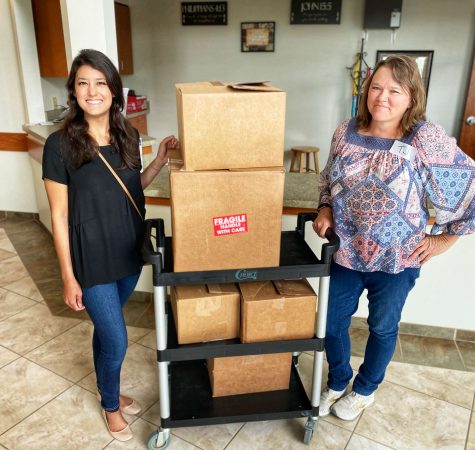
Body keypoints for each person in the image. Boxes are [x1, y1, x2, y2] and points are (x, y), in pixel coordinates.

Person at [313, 55, 475, 421]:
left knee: (382, 327)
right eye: (375, 87)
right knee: (331, 323)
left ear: (411, 97)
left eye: (394, 90)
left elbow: (468, 190)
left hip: (398, 260)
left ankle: (365, 389)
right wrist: (324, 209)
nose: (381, 97)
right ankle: (339, 380)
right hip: (346, 254)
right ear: (365, 91)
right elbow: (327, 180)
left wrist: (442, 240)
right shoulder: (345, 131)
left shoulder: (425, 139)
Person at [42, 49, 178, 441]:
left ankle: (110, 389)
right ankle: (110, 405)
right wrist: (68, 277)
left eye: (101, 82)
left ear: (115, 91)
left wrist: (161, 160)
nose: (92, 91)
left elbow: (134, 188)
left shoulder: (128, 136)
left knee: (106, 331)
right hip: (92, 259)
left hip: (127, 250)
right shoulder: (60, 145)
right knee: (117, 339)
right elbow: (59, 216)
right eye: (83, 83)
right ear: (74, 91)